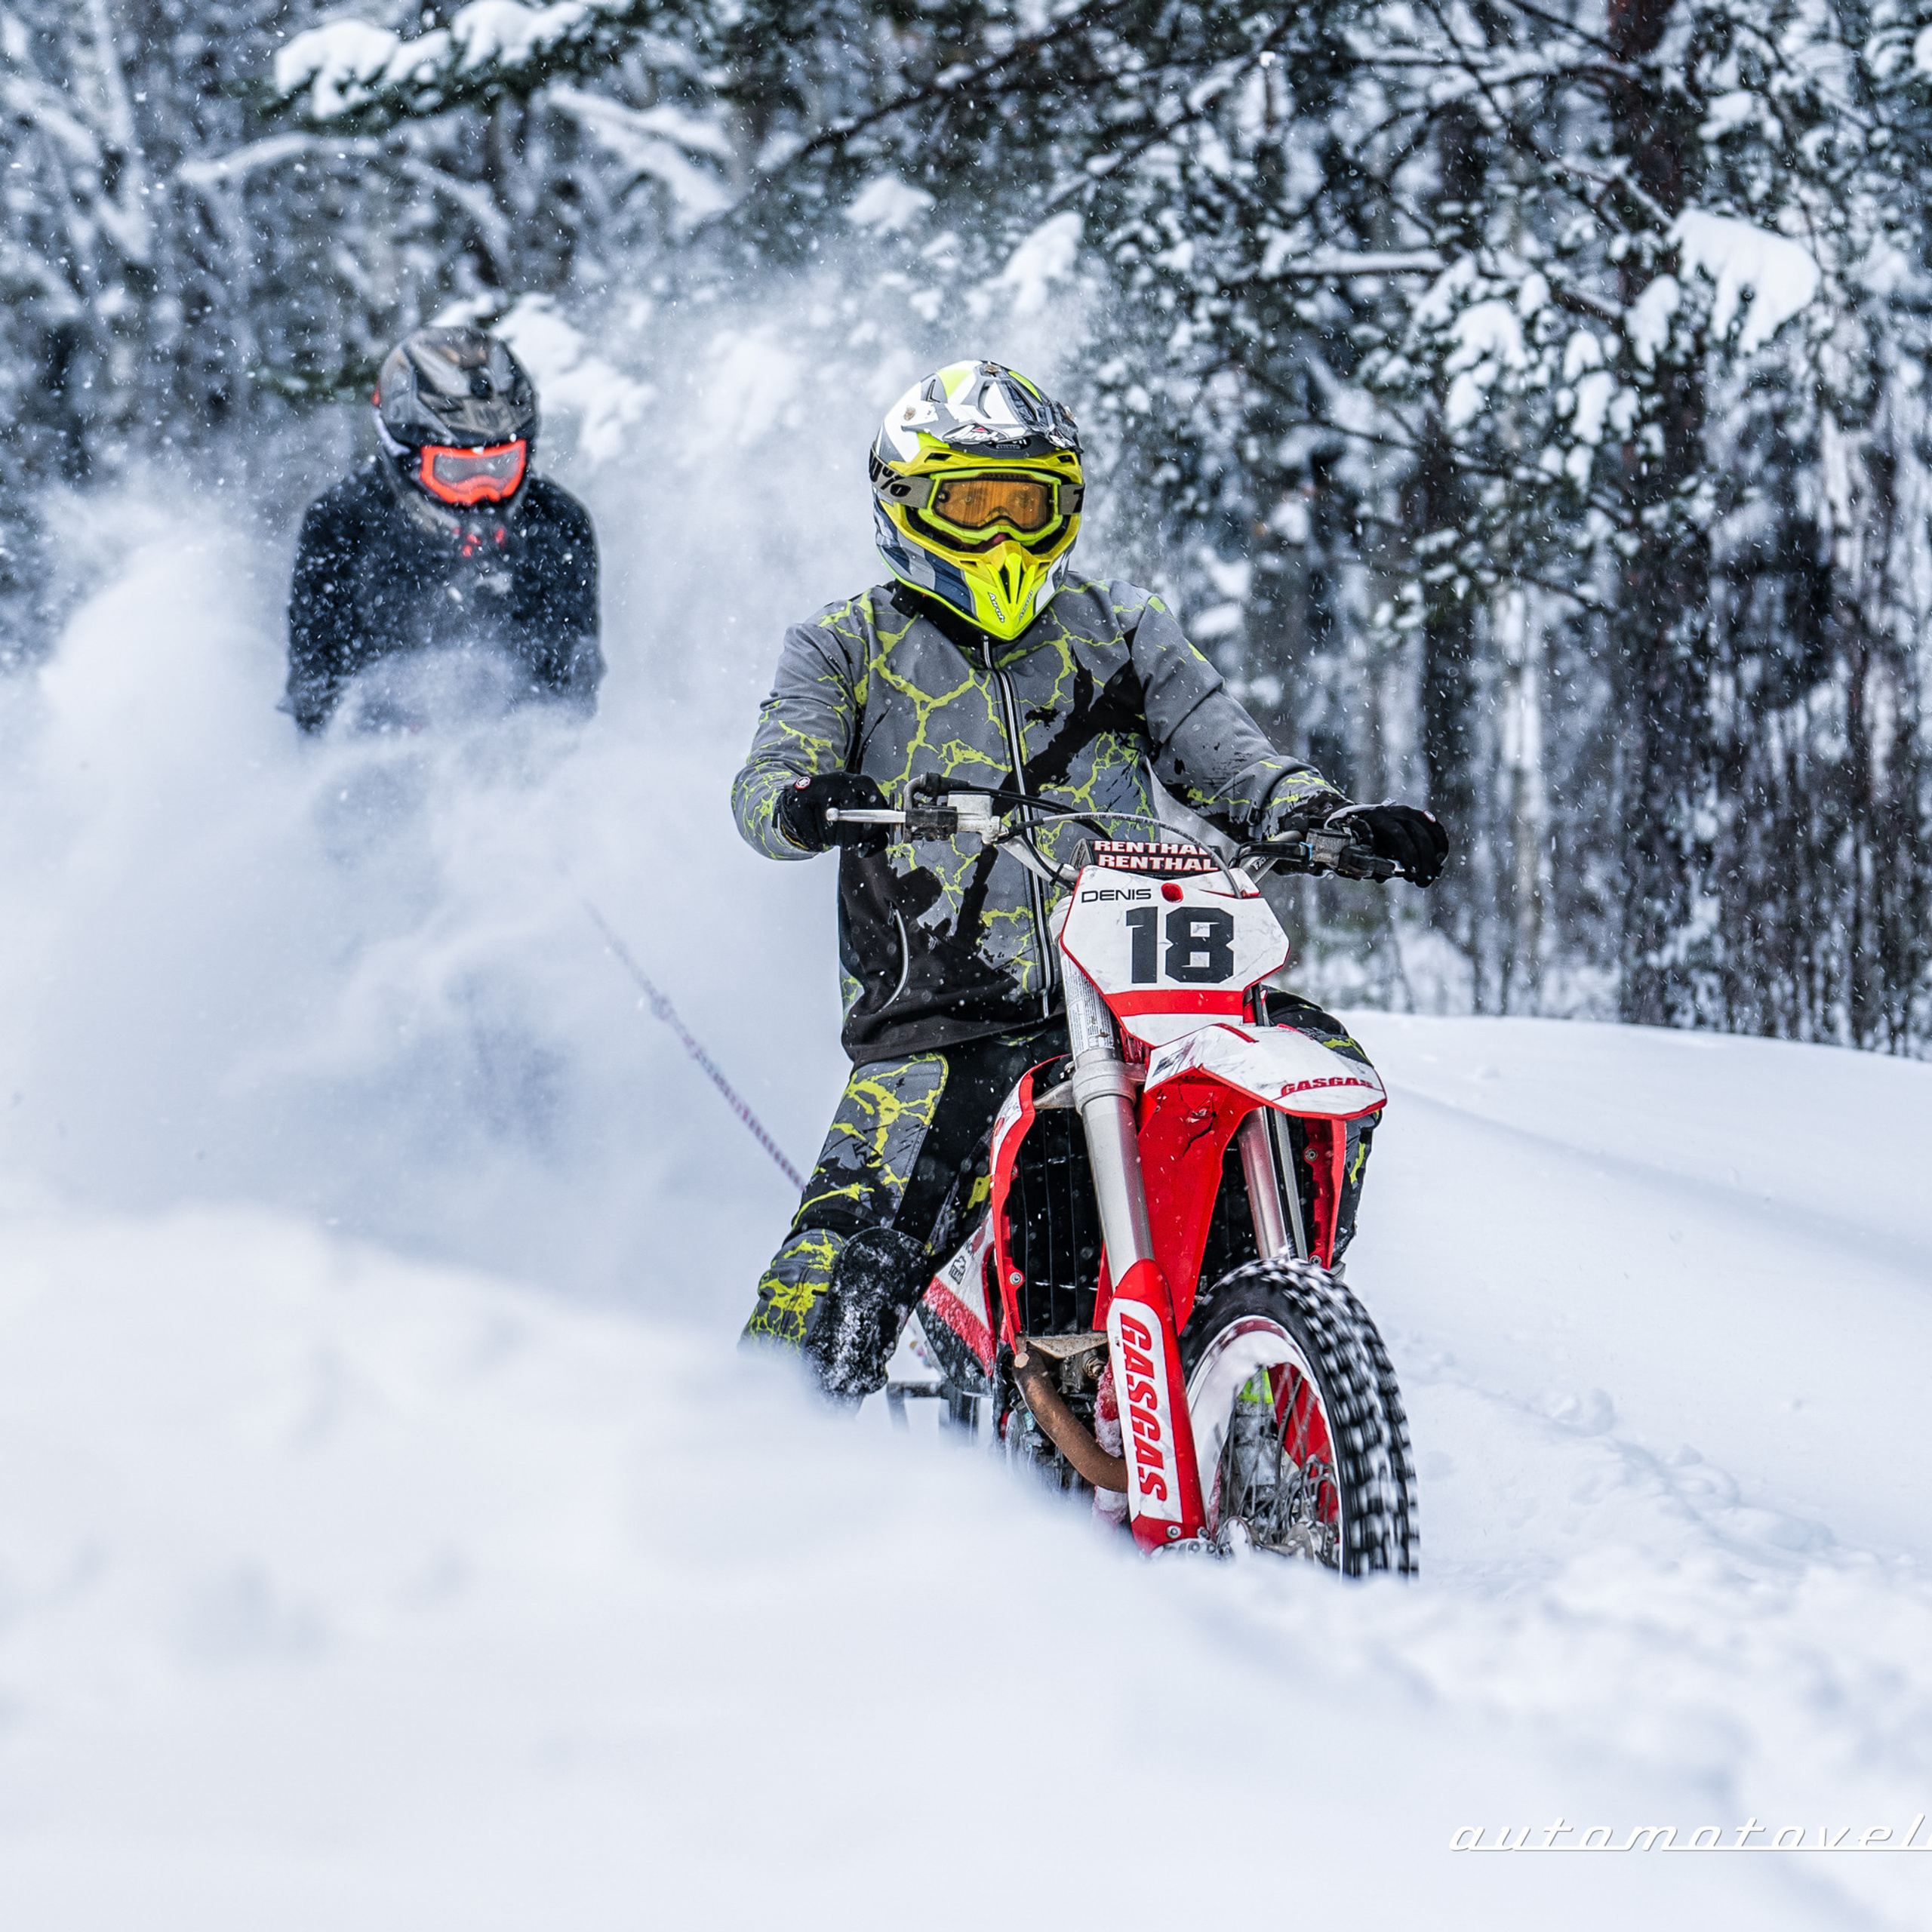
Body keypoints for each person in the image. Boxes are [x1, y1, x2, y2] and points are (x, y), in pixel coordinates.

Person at [731, 360, 1447, 1396]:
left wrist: (1326, 822)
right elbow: (767, 783)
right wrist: (806, 799)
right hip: (948, 1015)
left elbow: (1227, 758)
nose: (1005, 538)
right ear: (909, 506)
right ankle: (757, 1461)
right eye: (974, 506)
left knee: (1318, 1062)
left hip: (1141, 995)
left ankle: (1263, 1332)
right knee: (844, 1252)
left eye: (1029, 504)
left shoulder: (1116, 626)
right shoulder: (847, 644)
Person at [285, 326, 602, 731]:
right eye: (456, 471)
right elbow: (315, 691)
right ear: (406, 460)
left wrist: (511, 738)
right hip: (376, 758)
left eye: (501, 466)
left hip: (518, 759)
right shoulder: (342, 527)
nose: (482, 494)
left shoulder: (558, 525)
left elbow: (572, 683)